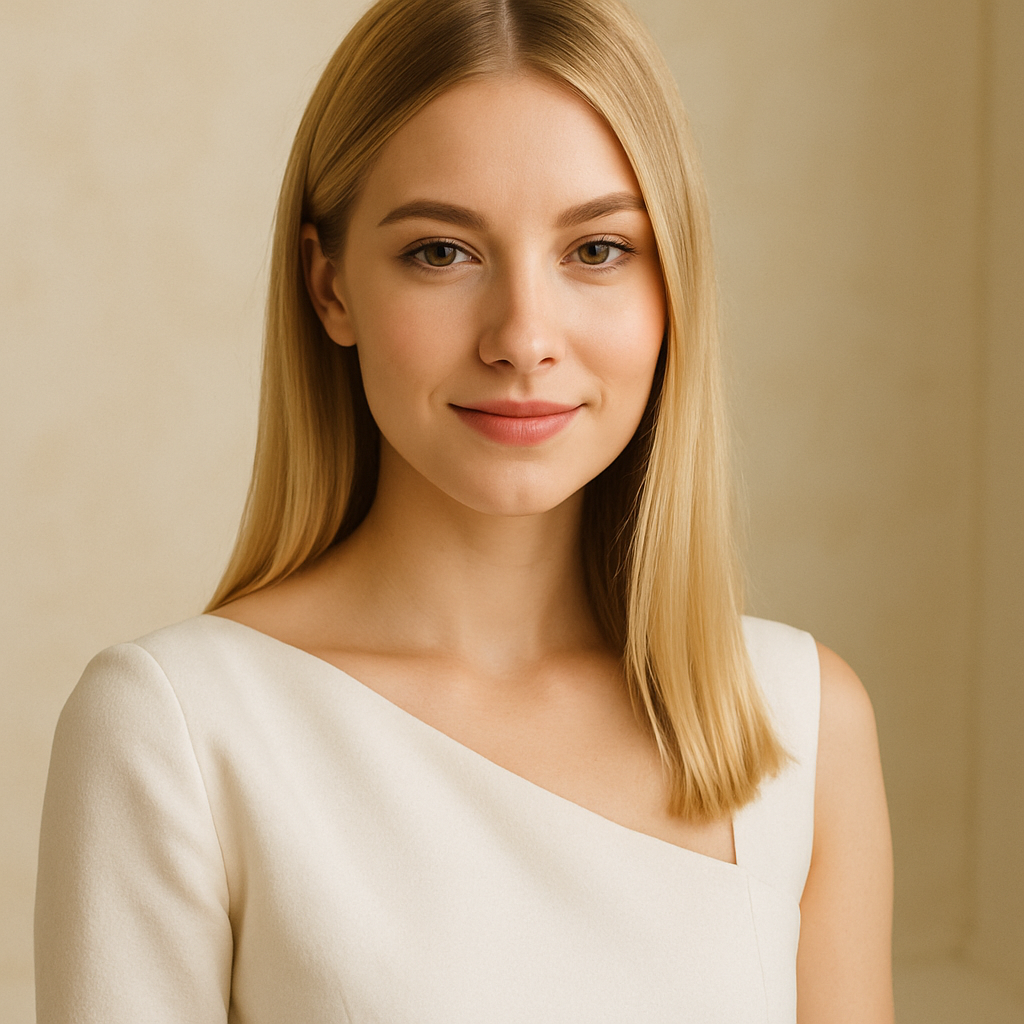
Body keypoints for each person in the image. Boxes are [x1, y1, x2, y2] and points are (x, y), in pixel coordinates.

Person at [34, 0, 894, 1020]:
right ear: (329, 286)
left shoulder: (797, 719)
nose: (523, 336)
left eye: (597, 250)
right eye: (442, 252)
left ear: (674, 285)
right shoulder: (175, 727)